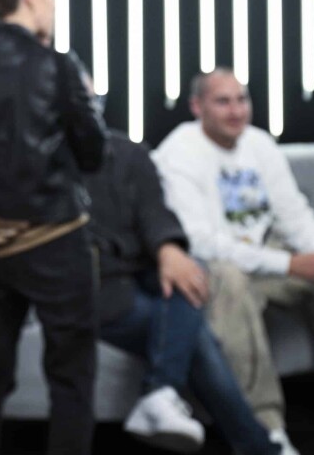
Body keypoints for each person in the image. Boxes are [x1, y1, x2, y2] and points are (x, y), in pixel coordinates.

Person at [0, 0, 110, 455]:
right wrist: (88, 100)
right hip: (55, 240)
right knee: (71, 374)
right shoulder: (58, 65)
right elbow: (93, 154)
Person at [151, 68, 314, 455]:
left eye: (242, 99)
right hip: (218, 266)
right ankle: (265, 429)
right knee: (230, 279)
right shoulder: (178, 153)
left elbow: (294, 216)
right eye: (223, 101)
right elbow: (203, 243)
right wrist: (290, 265)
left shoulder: (259, 144)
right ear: (197, 107)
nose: (236, 111)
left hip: (266, 255)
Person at [85, 135, 280, 454]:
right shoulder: (40, 157)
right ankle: (257, 446)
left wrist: (169, 249)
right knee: (197, 336)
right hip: (92, 285)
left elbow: (154, 211)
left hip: (142, 269)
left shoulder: (128, 152)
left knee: (190, 274)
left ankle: (160, 394)